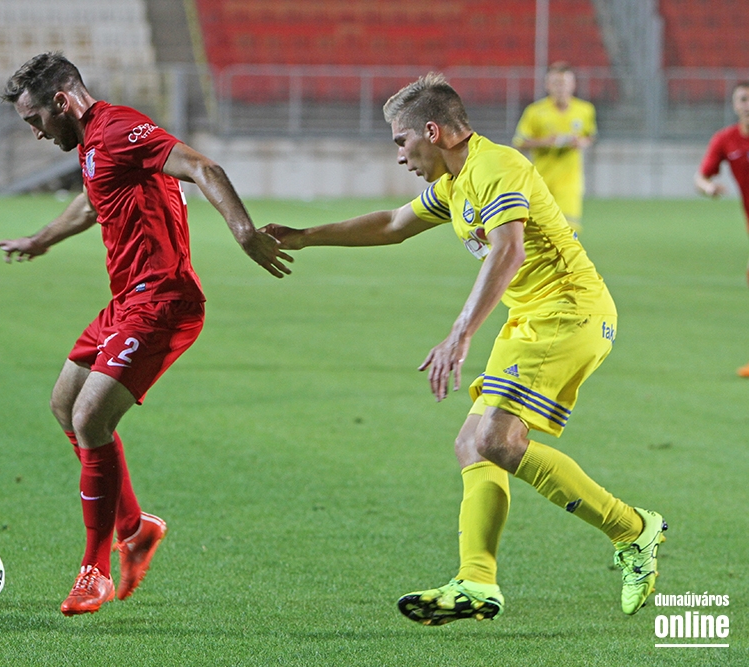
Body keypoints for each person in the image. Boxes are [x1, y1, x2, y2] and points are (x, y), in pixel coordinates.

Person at [262, 73, 665, 626]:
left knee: (496, 440)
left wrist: (461, 332)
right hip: (532, 318)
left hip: (570, 312)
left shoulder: (495, 166)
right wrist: (305, 235)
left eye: (402, 141)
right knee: (473, 445)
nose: (400, 156)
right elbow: (393, 224)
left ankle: (633, 529)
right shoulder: (455, 181)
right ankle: (476, 583)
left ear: (432, 132)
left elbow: (509, 250)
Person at [0, 52, 292, 616]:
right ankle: (135, 527)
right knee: (64, 407)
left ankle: (95, 572)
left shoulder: (120, 129)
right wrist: (40, 240)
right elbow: (91, 202)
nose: (36, 133)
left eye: (35, 120)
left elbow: (204, 168)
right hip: (127, 302)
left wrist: (245, 232)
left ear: (62, 102)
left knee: (90, 418)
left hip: (164, 302)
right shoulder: (92, 145)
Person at [694, 80, 749, 378]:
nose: (748, 105)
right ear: (734, 105)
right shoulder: (726, 139)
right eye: (743, 99)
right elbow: (701, 177)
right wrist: (708, 188)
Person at [512, 62, 597, 233]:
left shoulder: (585, 110)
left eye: (564, 83)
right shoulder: (535, 111)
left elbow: (590, 136)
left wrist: (581, 142)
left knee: (568, 231)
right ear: (548, 85)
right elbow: (519, 141)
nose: (561, 88)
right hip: (541, 181)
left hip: (569, 182)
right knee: (540, 233)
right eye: (556, 83)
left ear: (572, 85)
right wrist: (544, 142)